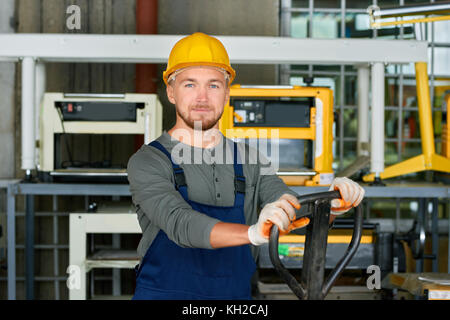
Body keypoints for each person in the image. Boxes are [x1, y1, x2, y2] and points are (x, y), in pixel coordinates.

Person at [127, 32, 365, 300]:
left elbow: (290, 206)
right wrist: (252, 233)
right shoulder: (149, 160)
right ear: (171, 92)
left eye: (214, 85)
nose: (202, 97)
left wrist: (330, 207)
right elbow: (179, 223)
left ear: (227, 93)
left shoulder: (251, 161)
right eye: (190, 84)